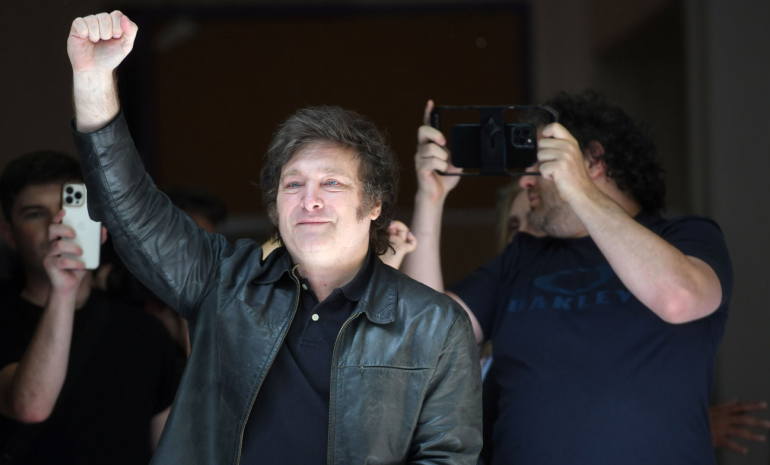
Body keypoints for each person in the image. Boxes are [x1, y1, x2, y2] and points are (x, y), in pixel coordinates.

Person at [66, 11, 481, 465]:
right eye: (293, 183)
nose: (310, 200)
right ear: (275, 206)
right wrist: (93, 77)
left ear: (374, 205)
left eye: (332, 183)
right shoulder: (222, 282)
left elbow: (448, 458)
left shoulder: (434, 322)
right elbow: (129, 208)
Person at [402, 94, 733, 465]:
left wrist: (579, 189)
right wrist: (430, 199)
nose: (524, 181)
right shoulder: (522, 257)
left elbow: (679, 298)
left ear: (592, 160)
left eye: (537, 162)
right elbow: (423, 343)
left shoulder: (686, 236)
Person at [0, 151, 181, 464]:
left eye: (71, 209)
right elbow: (30, 407)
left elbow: (172, 451)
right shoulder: (4, 317)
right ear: (9, 235)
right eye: (35, 214)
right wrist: (64, 290)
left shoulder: (145, 330)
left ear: (100, 226)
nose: (56, 224)